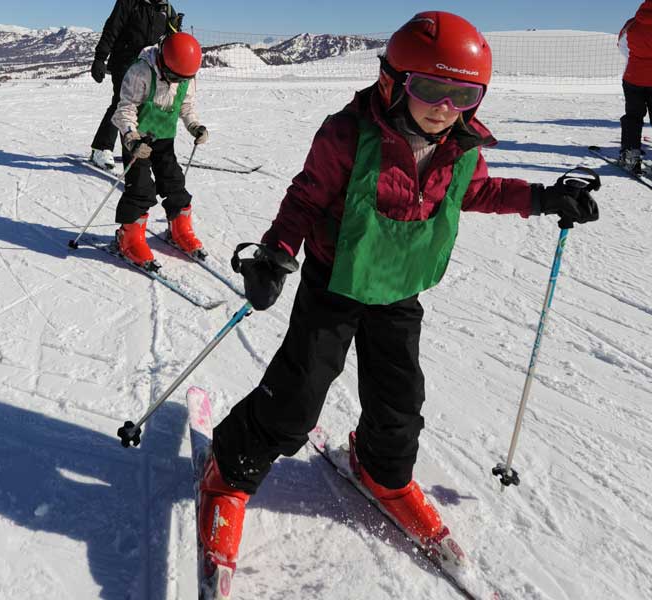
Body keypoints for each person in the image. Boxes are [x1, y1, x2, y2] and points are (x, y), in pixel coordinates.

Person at [197, 10, 600, 582]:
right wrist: (275, 254)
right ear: (394, 80)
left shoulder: (459, 145)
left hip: (398, 285)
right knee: (299, 393)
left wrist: (542, 198)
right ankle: (229, 467)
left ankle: (380, 467)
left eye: (464, 93)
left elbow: (476, 191)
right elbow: (306, 198)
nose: (445, 106)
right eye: (431, 88)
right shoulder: (347, 132)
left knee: (399, 398)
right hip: (336, 280)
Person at [111, 31, 209, 267]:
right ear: (164, 62)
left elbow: (186, 105)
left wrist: (194, 125)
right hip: (137, 141)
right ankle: (129, 238)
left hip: (165, 139)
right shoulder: (141, 71)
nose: (177, 82)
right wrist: (131, 138)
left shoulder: (185, 77)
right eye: (173, 77)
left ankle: (179, 229)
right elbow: (125, 108)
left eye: (181, 79)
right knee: (141, 188)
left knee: (174, 182)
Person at [90, 0, 183, 170]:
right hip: (124, 61)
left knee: (144, 107)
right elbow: (112, 28)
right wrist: (100, 58)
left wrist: (176, 33)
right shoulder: (129, 2)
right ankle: (101, 148)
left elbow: (173, 39)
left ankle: (138, 145)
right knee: (122, 102)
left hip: (149, 67)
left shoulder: (167, 9)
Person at [617, 0, 652, 176]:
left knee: (633, 116)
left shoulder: (632, 23)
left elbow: (622, 46)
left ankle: (631, 157)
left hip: (633, 76)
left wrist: (639, 59)